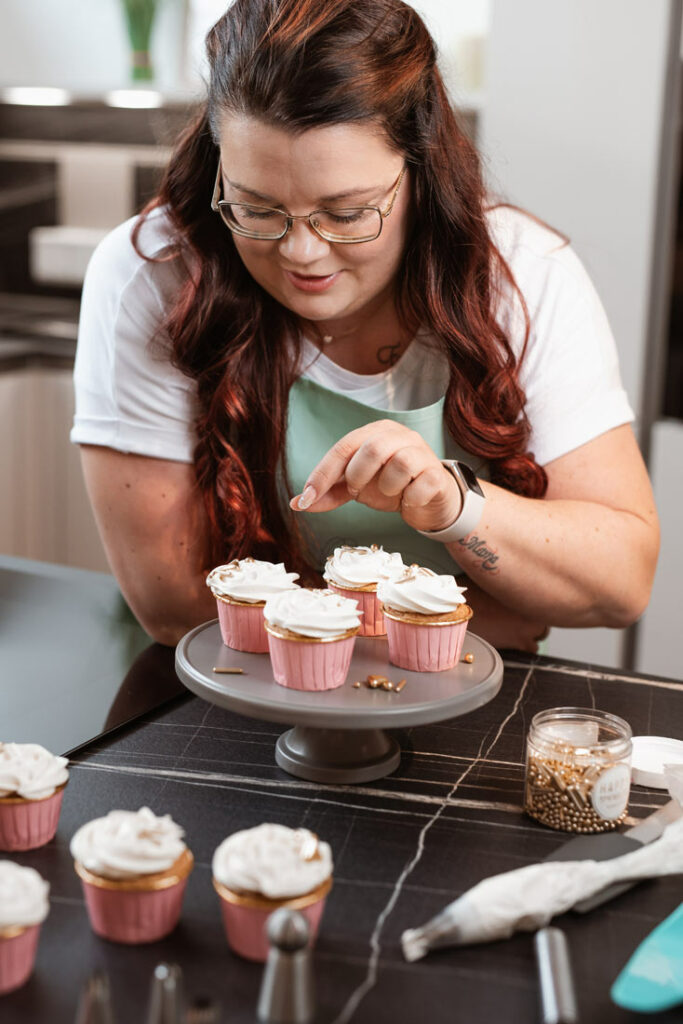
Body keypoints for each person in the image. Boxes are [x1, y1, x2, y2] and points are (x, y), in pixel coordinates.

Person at [71, 0, 659, 652]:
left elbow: (619, 584)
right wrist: (466, 619)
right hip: (230, 696)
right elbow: (173, 603)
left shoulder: (523, 273)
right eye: (255, 208)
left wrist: (456, 508)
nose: (301, 254)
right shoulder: (150, 276)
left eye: (347, 213)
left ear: (420, 170)